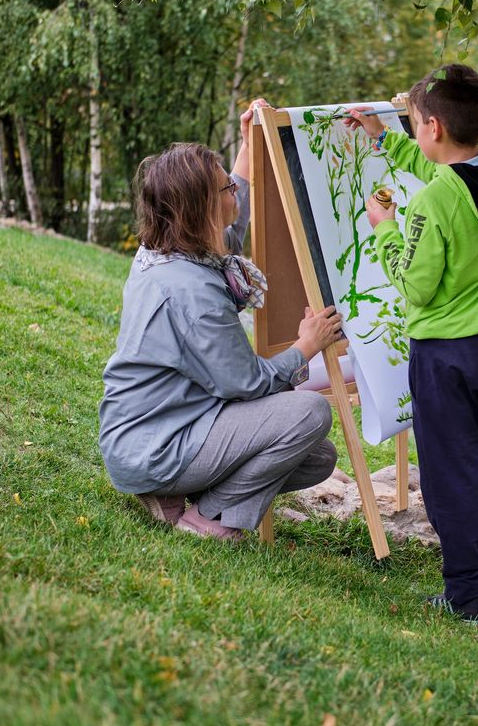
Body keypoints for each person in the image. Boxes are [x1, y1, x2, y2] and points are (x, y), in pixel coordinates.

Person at [99, 99, 344, 541]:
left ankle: (171, 496)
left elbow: (230, 227)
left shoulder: (171, 249)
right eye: (226, 187)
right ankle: (207, 517)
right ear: (201, 208)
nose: (235, 187)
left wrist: (249, 144)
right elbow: (247, 385)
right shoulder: (194, 292)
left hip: (157, 432)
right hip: (158, 444)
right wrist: (305, 346)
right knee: (309, 413)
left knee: (317, 458)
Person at [345, 64, 478, 625]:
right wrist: (387, 140)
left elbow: (415, 284)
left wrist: (385, 226)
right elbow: (449, 178)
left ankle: (465, 597)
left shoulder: (429, 205)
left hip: (447, 358)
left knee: (452, 477)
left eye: (412, 123)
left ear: (431, 128)